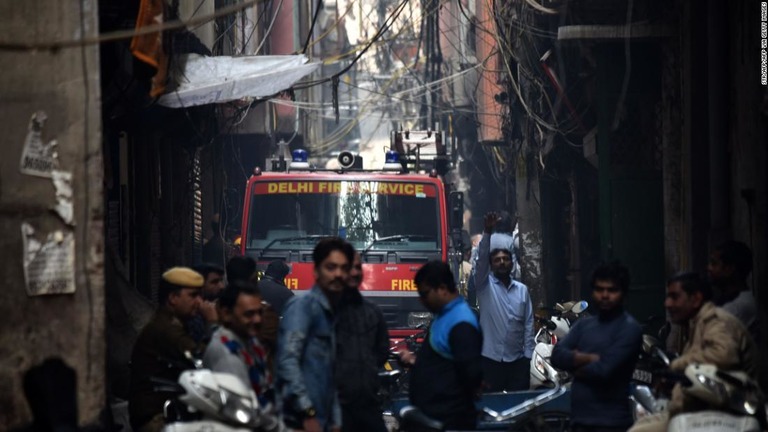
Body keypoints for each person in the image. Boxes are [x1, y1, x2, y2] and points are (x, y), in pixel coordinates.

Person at [628, 272, 757, 432]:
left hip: (723, 415)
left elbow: (723, 355)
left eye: (675, 297)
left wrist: (677, 365)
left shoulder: (716, 322)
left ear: (695, 299)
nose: (667, 303)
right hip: (695, 411)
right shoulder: (696, 325)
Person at [550, 261, 643, 432]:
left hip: (612, 424)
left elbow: (603, 371)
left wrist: (573, 365)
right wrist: (586, 358)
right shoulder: (583, 326)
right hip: (579, 421)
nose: (605, 295)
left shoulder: (630, 328)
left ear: (623, 293)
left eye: (612, 290)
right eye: (599, 290)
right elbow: (556, 355)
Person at [276, 237, 353, 432]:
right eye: (331, 267)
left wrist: (335, 420)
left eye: (344, 268)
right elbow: (287, 361)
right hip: (297, 422)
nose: (338, 274)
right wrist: (307, 412)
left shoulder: (334, 312)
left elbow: (331, 375)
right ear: (316, 271)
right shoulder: (303, 307)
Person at [129, 267, 214, 432]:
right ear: (173, 298)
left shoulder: (174, 324)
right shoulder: (166, 329)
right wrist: (213, 323)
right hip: (157, 418)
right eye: (193, 296)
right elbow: (202, 358)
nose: (199, 302)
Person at [400, 260, 482, 430]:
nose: (422, 301)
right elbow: (445, 362)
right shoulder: (444, 315)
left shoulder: (461, 322)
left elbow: (470, 373)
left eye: (425, 294)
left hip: (448, 421)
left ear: (443, 289)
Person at [474, 211, 534, 391]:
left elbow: (528, 325)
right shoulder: (485, 287)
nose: (502, 262)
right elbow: (481, 261)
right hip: (490, 360)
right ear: (491, 265)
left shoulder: (522, 291)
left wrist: (528, 357)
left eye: (505, 259)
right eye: (497, 260)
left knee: (519, 409)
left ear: (511, 263)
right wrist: (486, 233)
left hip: (517, 361)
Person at [336, 250, 389, 432]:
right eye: (348, 268)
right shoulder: (318, 312)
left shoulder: (373, 312)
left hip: (367, 406)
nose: (354, 272)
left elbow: (382, 352)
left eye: (358, 267)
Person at [203, 281, 276, 413]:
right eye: (249, 314)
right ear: (226, 314)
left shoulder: (251, 342)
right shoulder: (226, 353)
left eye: (260, 313)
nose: (258, 320)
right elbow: (242, 410)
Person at [709, 240, 759, 344]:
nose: (709, 268)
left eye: (714, 264)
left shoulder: (741, 306)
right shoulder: (728, 300)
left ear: (729, 269)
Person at [187, 263, 225, 343]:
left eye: (221, 281)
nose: (221, 286)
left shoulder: (216, 308)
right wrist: (212, 322)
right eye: (214, 282)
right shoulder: (192, 315)